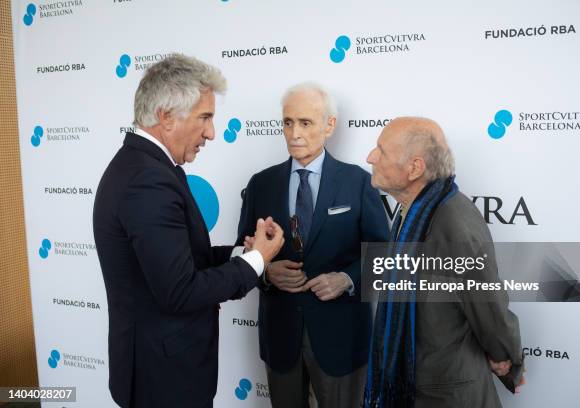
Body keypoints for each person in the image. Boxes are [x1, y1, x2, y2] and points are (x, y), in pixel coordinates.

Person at [93, 54, 284, 408]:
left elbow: (183, 259)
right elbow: (180, 291)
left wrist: (242, 252)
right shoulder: (147, 180)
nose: (211, 132)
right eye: (205, 118)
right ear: (166, 117)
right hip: (163, 380)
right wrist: (258, 260)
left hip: (164, 370)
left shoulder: (149, 168)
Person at [236, 82, 389, 407]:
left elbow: (384, 254)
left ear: (329, 125)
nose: (294, 133)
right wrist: (265, 271)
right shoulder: (261, 184)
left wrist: (347, 279)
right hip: (281, 338)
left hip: (342, 340)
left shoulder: (358, 181)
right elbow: (242, 250)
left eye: (305, 123)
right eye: (288, 122)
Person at [363, 117, 525, 408]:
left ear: (415, 168)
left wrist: (505, 357)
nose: (370, 157)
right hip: (418, 383)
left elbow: (487, 301)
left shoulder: (453, 221)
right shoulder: (412, 211)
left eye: (381, 150)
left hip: (445, 392)